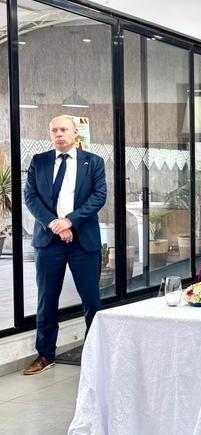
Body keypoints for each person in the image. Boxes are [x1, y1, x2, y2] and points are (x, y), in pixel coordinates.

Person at [22, 115, 107, 375]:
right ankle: (45, 355)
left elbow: (99, 197)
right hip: (49, 242)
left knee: (91, 300)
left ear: (75, 132)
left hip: (84, 241)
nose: (59, 134)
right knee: (47, 300)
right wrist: (54, 224)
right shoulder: (39, 162)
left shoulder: (93, 162)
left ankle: (97, 355)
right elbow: (31, 197)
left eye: (64, 129)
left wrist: (70, 222)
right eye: (54, 130)